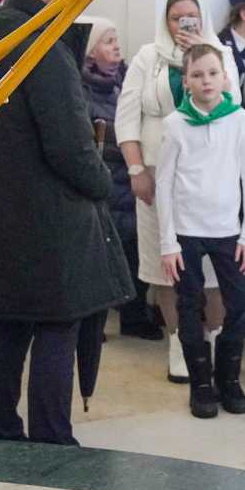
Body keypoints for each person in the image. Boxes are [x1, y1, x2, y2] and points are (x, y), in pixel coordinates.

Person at [0, 0, 132, 447]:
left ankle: (2, 427)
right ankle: (53, 439)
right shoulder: (44, 49)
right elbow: (69, 145)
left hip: (1, 204)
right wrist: (102, 182)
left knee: (13, 322)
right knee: (60, 324)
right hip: (52, 216)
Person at [118, 0, 237, 380]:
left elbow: (234, 107)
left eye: (192, 17)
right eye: (176, 18)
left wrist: (201, 53)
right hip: (155, 174)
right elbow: (127, 116)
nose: (184, 25)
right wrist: (136, 170)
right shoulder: (147, 58)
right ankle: (180, 342)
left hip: (209, 178)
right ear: (165, 22)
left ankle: (215, 338)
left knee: (214, 267)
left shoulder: (221, 57)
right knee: (165, 264)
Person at [157, 43, 245, 418]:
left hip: (227, 230)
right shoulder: (175, 124)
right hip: (186, 231)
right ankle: (200, 382)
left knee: (243, 304)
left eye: (212, 73)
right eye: (197, 75)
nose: (206, 80)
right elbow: (164, 184)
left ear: (225, 77)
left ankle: (228, 378)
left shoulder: (240, 120)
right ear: (186, 81)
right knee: (189, 305)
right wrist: (168, 243)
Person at [81, 19, 159, 340]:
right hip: (104, 183)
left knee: (134, 251)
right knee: (99, 256)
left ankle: (135, 315)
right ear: (89, 52)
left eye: (116, 39)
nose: (116, 45)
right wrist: (126, 140)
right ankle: (92, 322)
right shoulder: (79, 88)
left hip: (131, 179)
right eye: (107, 40)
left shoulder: (127, 80)